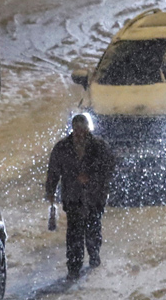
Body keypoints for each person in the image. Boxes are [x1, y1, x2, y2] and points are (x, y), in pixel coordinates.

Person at [45, 114, 116, 280]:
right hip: (73, 196)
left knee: (93, 228)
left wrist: (91, 177)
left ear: (87, 128)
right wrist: (50, 190)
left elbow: (109, 168)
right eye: (76, 129)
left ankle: (94, 254)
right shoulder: (62, 148)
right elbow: (54, 170)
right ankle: (74, 266)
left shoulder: (99, 147)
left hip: (94, 196)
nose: (79, 133)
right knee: (74, 233)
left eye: (82, 129)